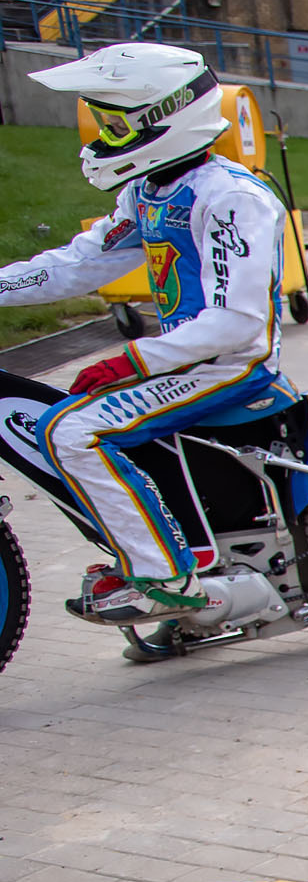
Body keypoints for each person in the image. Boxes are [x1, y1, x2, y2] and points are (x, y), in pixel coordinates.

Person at [0, 43, 286, 625]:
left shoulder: (231, 198)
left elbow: (238, 322)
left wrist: (134, 360)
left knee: (74, 432)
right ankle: (166, 551)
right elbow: (79, 263)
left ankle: (165, 579)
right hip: (183, 362)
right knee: (75, 424)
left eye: (112, 122)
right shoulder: (150, 192)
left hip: (228, 366)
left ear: (164, 118)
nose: (101, 136)